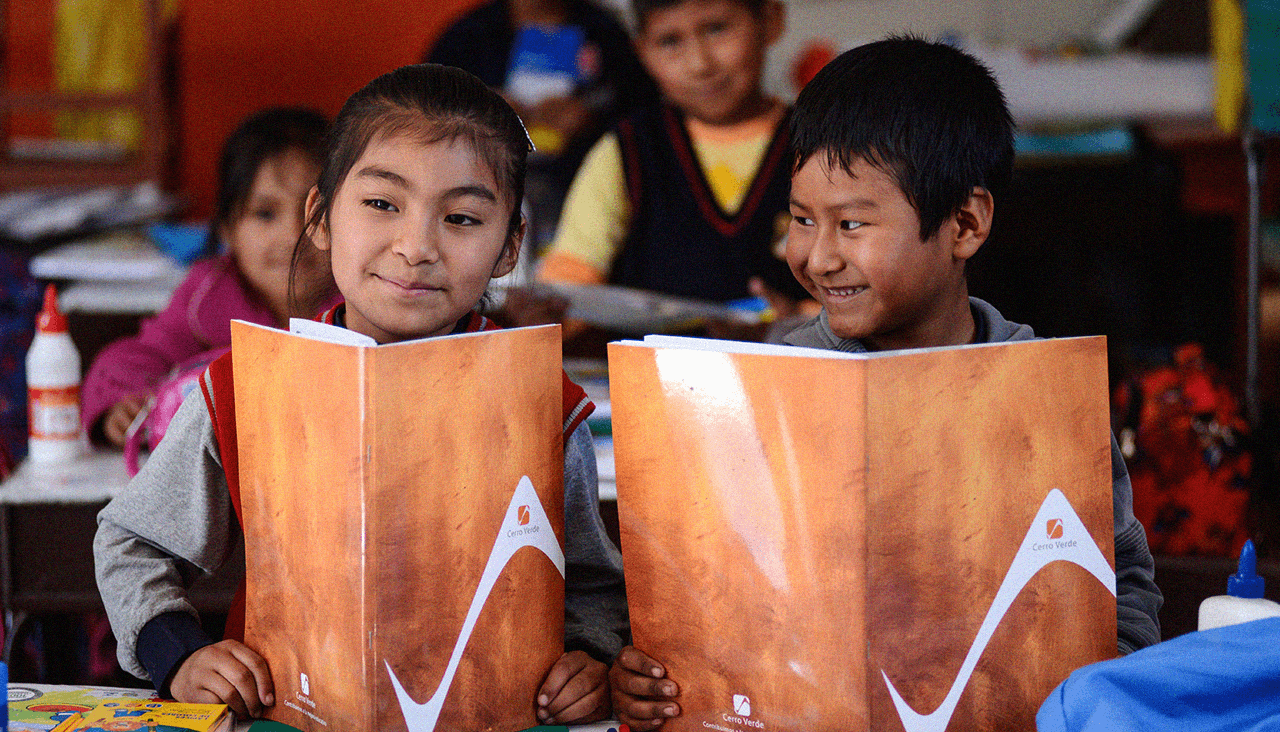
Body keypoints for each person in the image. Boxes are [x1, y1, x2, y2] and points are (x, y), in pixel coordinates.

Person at [608, 36, 1164, 730]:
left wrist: (1098, 686)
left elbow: (1123, 584)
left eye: (852, 224)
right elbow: (705, 590)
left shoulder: (1044, 394)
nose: (817, 256)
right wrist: (650, 673)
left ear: (965, 224)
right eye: (803, 219)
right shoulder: (772, 380)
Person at [94, 64, 627, 726]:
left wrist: (589, 655)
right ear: (320, 218)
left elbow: (595, 586)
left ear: (509, 245)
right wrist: (179, 655)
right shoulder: (244, 386)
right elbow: (130, 543)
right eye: (381, 204)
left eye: (461, 217)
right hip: (286, 715)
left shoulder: (545, 403)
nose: (415, 247)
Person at [537, 0, 810, 309]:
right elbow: (568, 287)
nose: (700, 64)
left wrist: (800, 318)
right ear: (641, 52)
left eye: (716, 29)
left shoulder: (821, 144)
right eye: (670, 41)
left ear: (771, 20)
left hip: (796, 354)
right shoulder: (627, 150)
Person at [81, 107, 328, 447]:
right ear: (228, 229)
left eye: (314, 210)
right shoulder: (207, 296)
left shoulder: (365, 299)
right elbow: (135, 358)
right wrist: (124, 406)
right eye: (265, 213)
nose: (292, 234)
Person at [425, 0, 658, 246]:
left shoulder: (606, 32)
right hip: (479, 188)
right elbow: (425, 111)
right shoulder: (468, 34)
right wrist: (480, 107)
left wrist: (590, 116)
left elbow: (642, 111)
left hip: (581, 189)